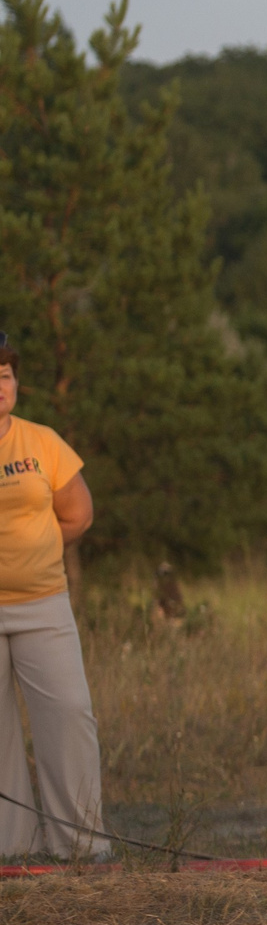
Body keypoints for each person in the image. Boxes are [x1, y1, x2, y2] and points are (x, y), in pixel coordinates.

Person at [0, 336, 111, 862]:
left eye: (4, 376)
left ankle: (81, 846)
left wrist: (37, 548)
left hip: (44, 604)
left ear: (16, 384)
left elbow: (79, 514)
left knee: (70, 712)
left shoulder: (42, 442)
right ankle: (11, 849)